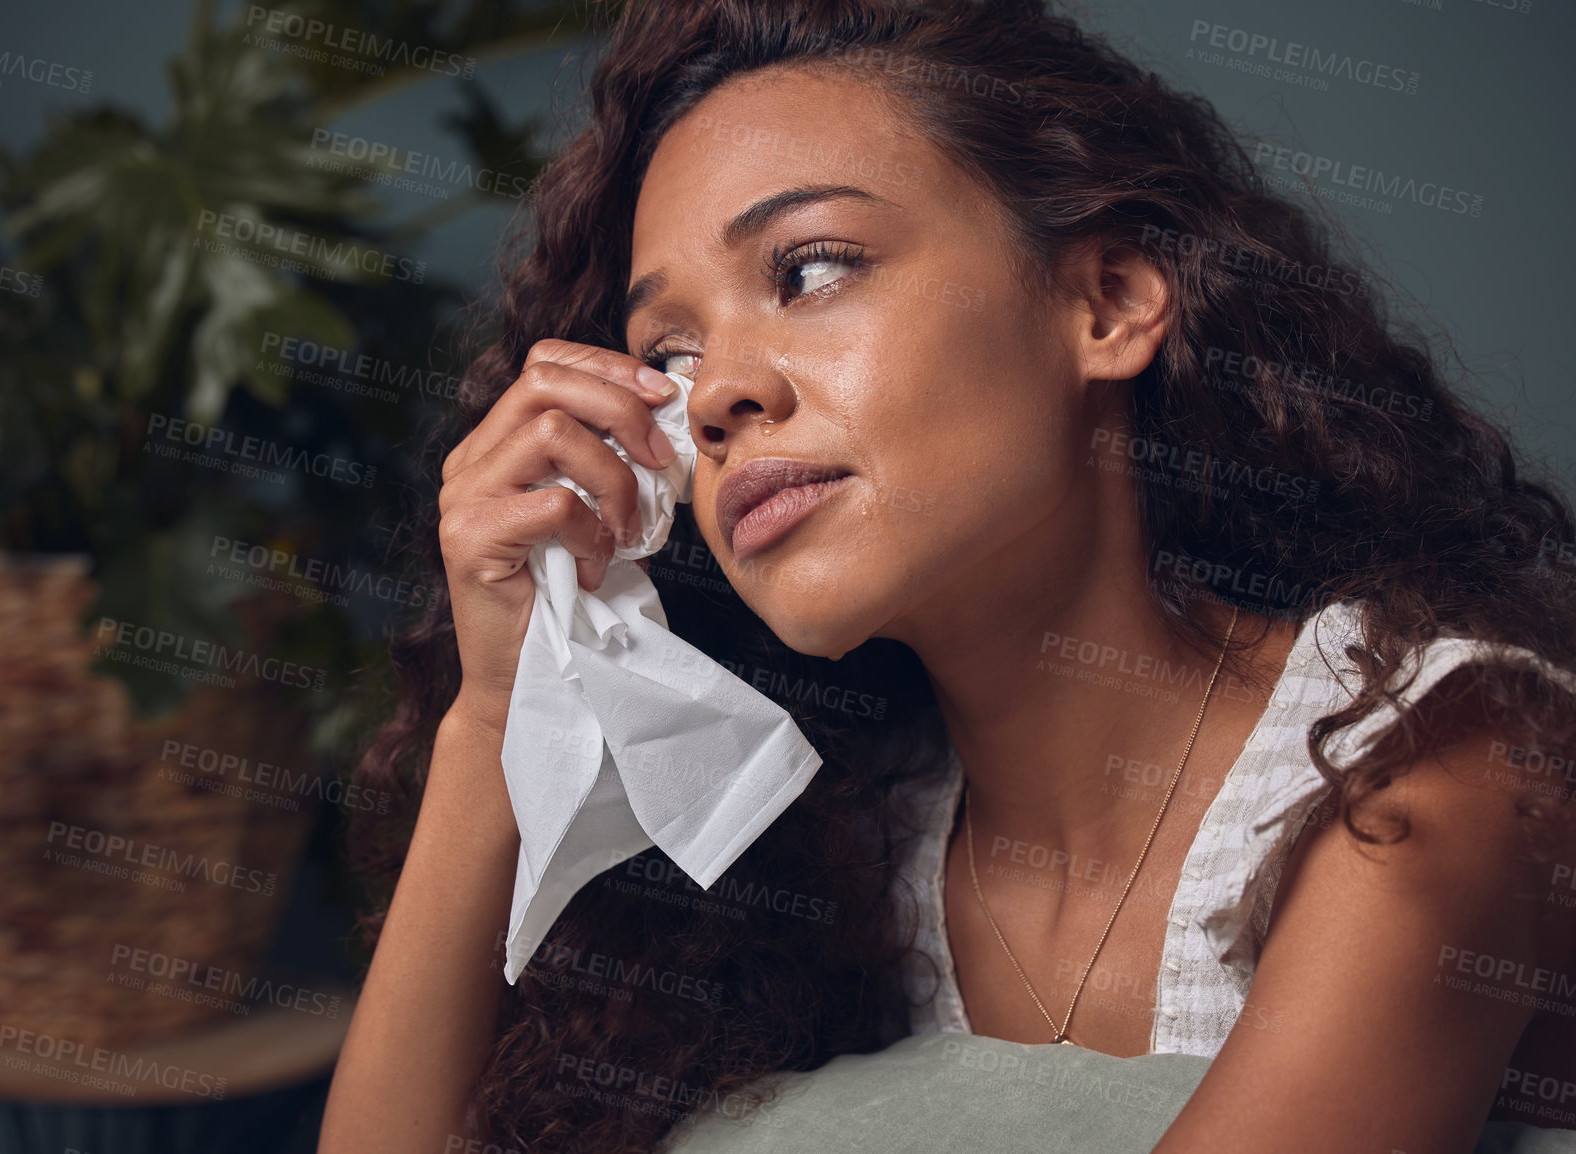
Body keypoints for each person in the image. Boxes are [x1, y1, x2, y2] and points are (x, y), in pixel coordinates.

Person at [318, 1, 1576, 1152]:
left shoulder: (1435, 758)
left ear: (1111, 300)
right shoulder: (858, 850)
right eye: (674, 354)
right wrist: (499, 705)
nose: (725, 398)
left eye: (809, 269)